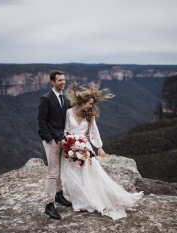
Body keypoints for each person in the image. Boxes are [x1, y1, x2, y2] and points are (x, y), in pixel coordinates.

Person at [61, 81, 144, 220]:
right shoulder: (69, 112)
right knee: (72, 174)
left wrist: (99, 147)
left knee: (88, 174)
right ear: (82, 102)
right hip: (71, 146)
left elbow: (94, 131)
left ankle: (91, 199)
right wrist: (68, 143)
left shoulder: (90, 115)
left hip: (85, 146)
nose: (91, 106)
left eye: (92, 104)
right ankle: (79, 200)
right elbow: (65, 129)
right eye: (89, 103)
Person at [38, 70, 72, 220]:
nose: (63, 82)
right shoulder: (46, 98)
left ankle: (59, 194)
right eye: (60, 80)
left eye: (64, 80)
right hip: (52, 141)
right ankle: (49, 204)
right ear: (53, 82)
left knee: (60, 170)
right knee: (52, 172)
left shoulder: (64, 98)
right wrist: (50, 140)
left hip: (62, 140)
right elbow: (41, 121)